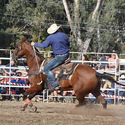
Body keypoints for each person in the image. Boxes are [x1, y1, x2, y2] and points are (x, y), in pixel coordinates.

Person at [31, 23, 70, 92]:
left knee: (46, 68)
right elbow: (68, 45)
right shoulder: (64, 35)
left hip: (59, 57)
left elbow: (43, 46)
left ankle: (55, 84)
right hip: (66, 55)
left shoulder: (51, 37)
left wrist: (34, 44)